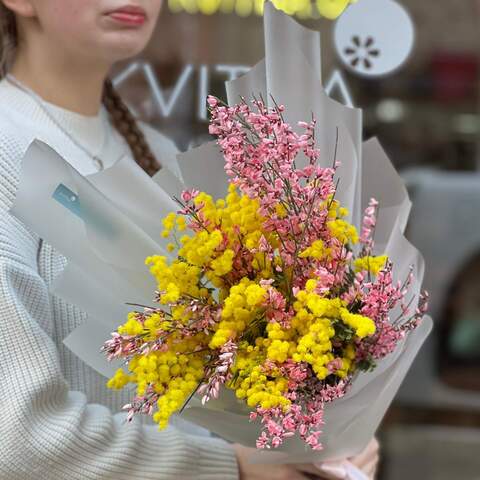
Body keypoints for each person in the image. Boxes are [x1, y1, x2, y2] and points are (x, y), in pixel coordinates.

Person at [0, 1, 379, 479]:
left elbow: (214, 392)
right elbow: (17, 436)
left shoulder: (156, 154)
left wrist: (321, 445)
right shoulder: (7, 151)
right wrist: (230, 465)